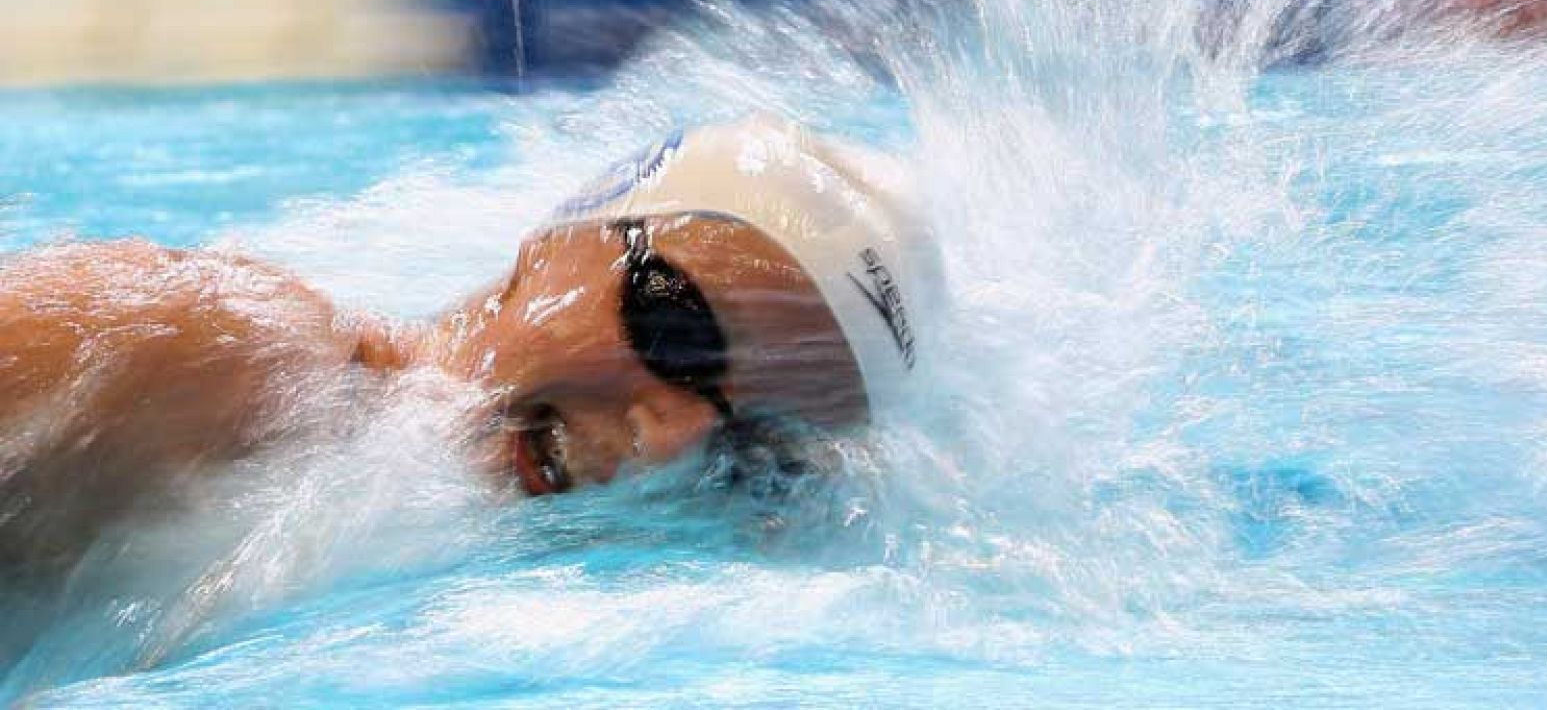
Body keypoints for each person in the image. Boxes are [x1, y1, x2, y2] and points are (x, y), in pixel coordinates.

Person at [0, 115, 938, 566]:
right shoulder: (223, 350)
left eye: (750, 444)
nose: (672, 439)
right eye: (677, 330)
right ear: (563, 237)